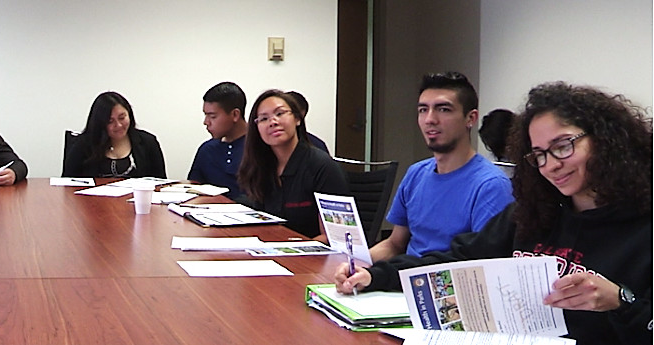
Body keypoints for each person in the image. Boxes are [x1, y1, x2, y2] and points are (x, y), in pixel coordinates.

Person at [335, 82, 652, 345]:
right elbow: (459, 259)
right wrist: (376, 275)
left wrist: (621, 300)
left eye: (563, 145)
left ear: (606, 141)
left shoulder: (643, 227)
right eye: (539, 155)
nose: (551, 165)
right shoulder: (532, 214)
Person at [367, 72, 514, 262]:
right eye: (423, 110)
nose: (430, 119)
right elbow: (394, 244)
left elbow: (481, 265)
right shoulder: (416, 173)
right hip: (403, 279)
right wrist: (355, 265)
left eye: (443, 109)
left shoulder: (491, 186)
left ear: (470, 118)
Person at [237, 89, 348, 240]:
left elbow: (336, 235)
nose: (273, 122)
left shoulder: (322, 166)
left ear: (297, 118)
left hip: (312, 257)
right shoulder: (261, 165)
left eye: (280, 113)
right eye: (263, 119)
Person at [63, 91, 167, 178]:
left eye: (122, 118)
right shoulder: (83, 145)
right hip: (91, 202)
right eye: (110, 121)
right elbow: (66, 184)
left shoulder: (148, 142)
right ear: (100, 123)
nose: (119, 125)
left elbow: (161, 183)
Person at [188, 81, 248, 200]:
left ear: (235, 115)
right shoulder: (207, 149)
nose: (206, 122)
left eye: (212, 116)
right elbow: (193, 188)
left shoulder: (260, 147)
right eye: (205, 115)